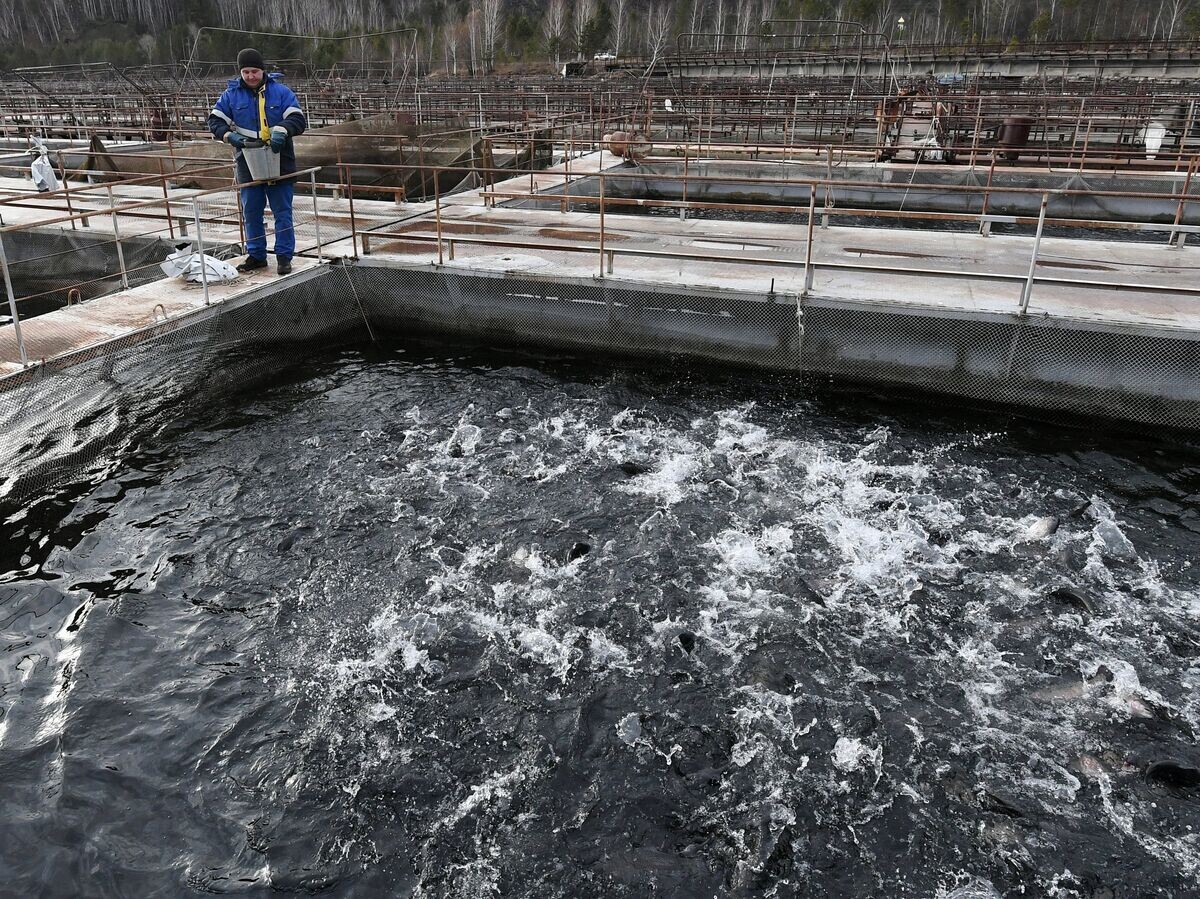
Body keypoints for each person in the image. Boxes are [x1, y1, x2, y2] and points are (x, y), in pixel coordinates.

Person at [207, 48, 307, 275]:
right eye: (246, 72)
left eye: (254, 71)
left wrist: (283, 129)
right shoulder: (231, 95)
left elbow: (298, 120)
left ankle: (283, 256)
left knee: (282, 211)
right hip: (247, 160)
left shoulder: (281, 92)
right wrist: (229, 136)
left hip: (279, 157)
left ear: (263, 71)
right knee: (251, 209)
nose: (251, 76)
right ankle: (257, 255)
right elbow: (214, 121)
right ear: (240, 73)